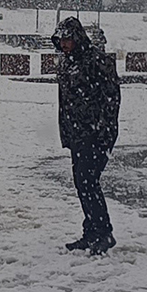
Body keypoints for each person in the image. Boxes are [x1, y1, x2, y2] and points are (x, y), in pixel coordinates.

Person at [53, 17, 121, 256]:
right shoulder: (67, 63)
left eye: (67, 39)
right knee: (82, 183)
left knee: (88, 181)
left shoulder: (97, 61)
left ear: (77, 38)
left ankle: (103, 231)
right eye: (60, 40)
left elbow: (111, 97)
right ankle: (92, 230)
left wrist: (103, 130)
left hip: (95, 133)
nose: (63, 44)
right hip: (76, 132)